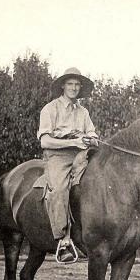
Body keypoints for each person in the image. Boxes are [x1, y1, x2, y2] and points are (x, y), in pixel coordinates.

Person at [37, 67, 100, 263]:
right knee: (59, 189)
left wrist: (90, 140)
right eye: (70, 84)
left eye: (77, 85)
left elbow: (94, 136)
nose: (74, 88)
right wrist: (72, 142)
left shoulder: (83, 112)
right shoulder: (50, 109)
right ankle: (63, 240)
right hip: (58, 156)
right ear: (63, 86)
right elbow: (45, 142)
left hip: (82, 154)